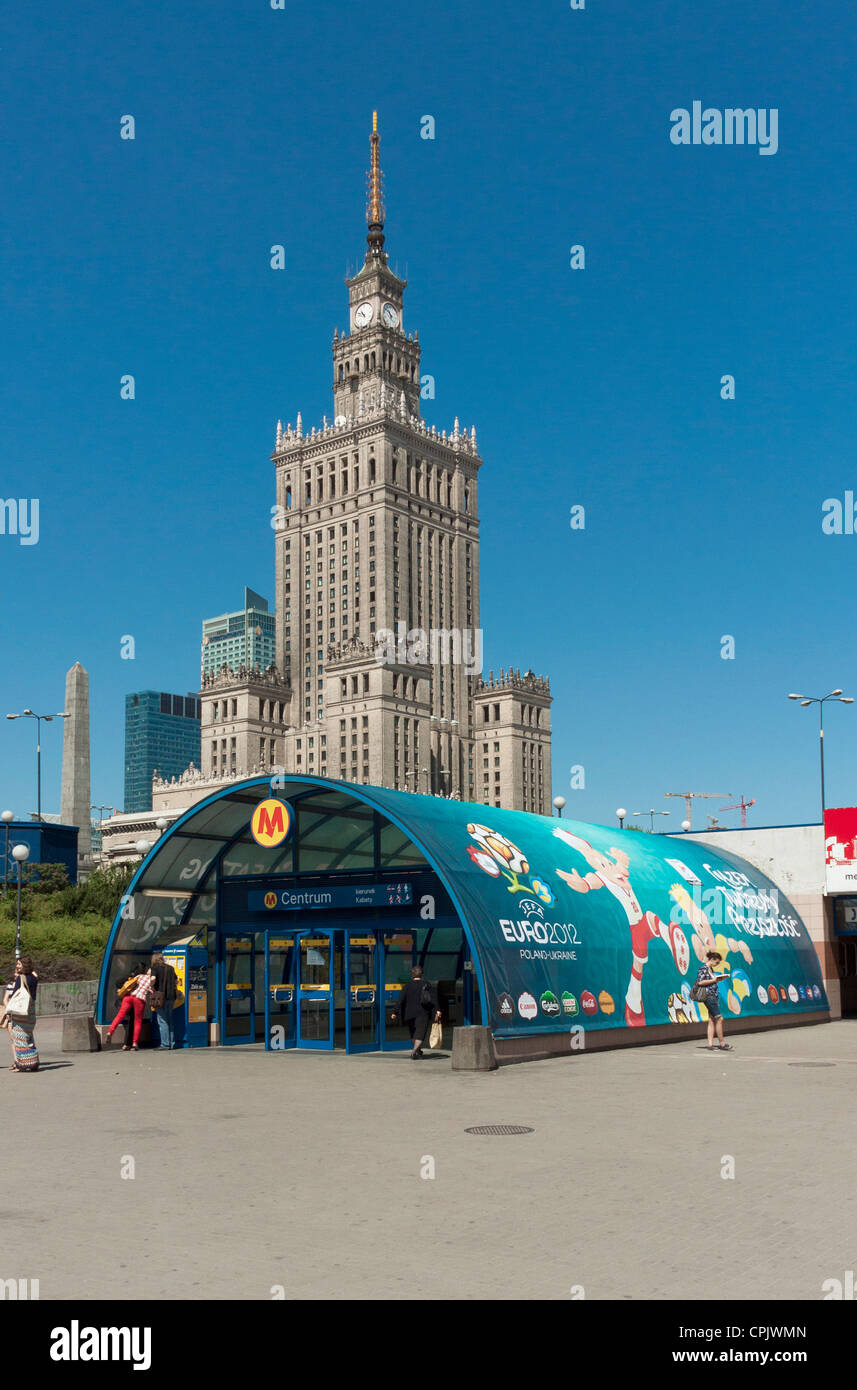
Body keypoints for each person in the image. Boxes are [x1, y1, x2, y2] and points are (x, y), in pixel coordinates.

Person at [393, 965, 441, 1060]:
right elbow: (433, 999)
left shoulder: (407, 986)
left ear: (412, 975)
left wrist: (395, 1012)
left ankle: (418, 1050)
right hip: (422, 1013)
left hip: (409, 1013)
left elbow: (400, 1000)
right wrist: (438, 1010)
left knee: (413, 1033)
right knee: (420, 1033)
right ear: (421, 974)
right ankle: (414, 1051)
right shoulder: (426, 985)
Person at [2, 957, 40, 1072]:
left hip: (20, 1014)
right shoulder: (34, 979)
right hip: (30, 1013)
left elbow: (15, 996)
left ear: (24, 965)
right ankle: (33, 1063)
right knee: (29, 1039)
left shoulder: (20, 979)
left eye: (19, 964)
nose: (17, 966)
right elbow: (35, 975)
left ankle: (22, 1065)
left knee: (19, 1040)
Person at [107, 964, 154, 1050]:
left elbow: (130, 984)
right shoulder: (151, 980)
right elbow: (152, 991)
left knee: (120, 1015)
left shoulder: (139, 976)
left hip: (129, 997)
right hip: (139, 999)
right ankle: (135, 1043)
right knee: (137, 1021)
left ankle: (110, 1031)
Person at [696, 950, 732, 1051]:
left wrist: (718, 979)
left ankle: (710, 1044)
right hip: (709, 996)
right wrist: (714, 980)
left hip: (713, 995)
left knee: (712, 1020)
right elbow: (700, 982)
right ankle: (722, 1043)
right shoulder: (704, 968)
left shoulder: (710, 969)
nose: (717, 964)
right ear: (712, 959)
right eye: (717, 962)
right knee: (719, 1019)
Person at [149, 953, 178, 1050]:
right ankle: (172, 1044)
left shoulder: (155, 968)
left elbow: (153, 979)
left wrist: (151, 986)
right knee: (170, 1020)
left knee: (162, 1020)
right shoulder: (171, 968)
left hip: (161, 998)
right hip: (172, 997)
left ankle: (165, 1044)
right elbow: (176, 981)